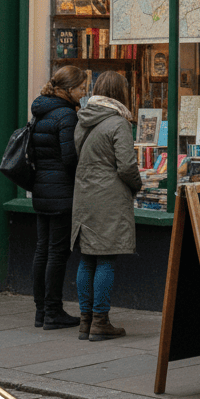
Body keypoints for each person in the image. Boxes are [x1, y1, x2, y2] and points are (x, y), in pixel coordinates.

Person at [72, 71, 141, 341]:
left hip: (84, 194)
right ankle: (101, 320)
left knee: (87, 258)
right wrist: (137, 184)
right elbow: (126, 166)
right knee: (106, 258)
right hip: (109, 197)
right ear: (120, 92)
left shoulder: (83, 120)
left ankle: (85, 321)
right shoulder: (118, 123)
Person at [29, 65, 88, 330]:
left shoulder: (41, 112)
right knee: (57, 252)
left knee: (42, 249)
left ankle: (41, 311)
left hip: (41, 188)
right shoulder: (66, 115)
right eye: (81, 88)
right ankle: (53, 311)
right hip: (62, 192)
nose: (84, 92)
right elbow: (69, 158)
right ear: (68, 89)